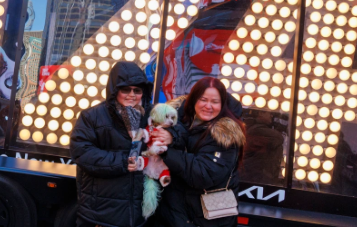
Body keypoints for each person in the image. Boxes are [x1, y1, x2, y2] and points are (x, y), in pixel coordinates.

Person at [151, 77, 245, 227]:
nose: (208, 106)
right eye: (203, 100)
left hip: (209, 217)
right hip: (175, 211)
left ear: (222, 105)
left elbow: (203, 173)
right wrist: (171, 136)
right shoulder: (178, 119)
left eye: (215, 102)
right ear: (194, 100)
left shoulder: (226, 134)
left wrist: (165, 152)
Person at [70, 61, 153, 227]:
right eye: (125, 89)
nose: (132, 95)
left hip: (139, 215)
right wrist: (123, 162)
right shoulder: (92, 116)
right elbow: (82, 153)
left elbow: (175, 132)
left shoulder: (151, 116)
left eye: (137, 90)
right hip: (101, 214)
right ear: (115, 90)